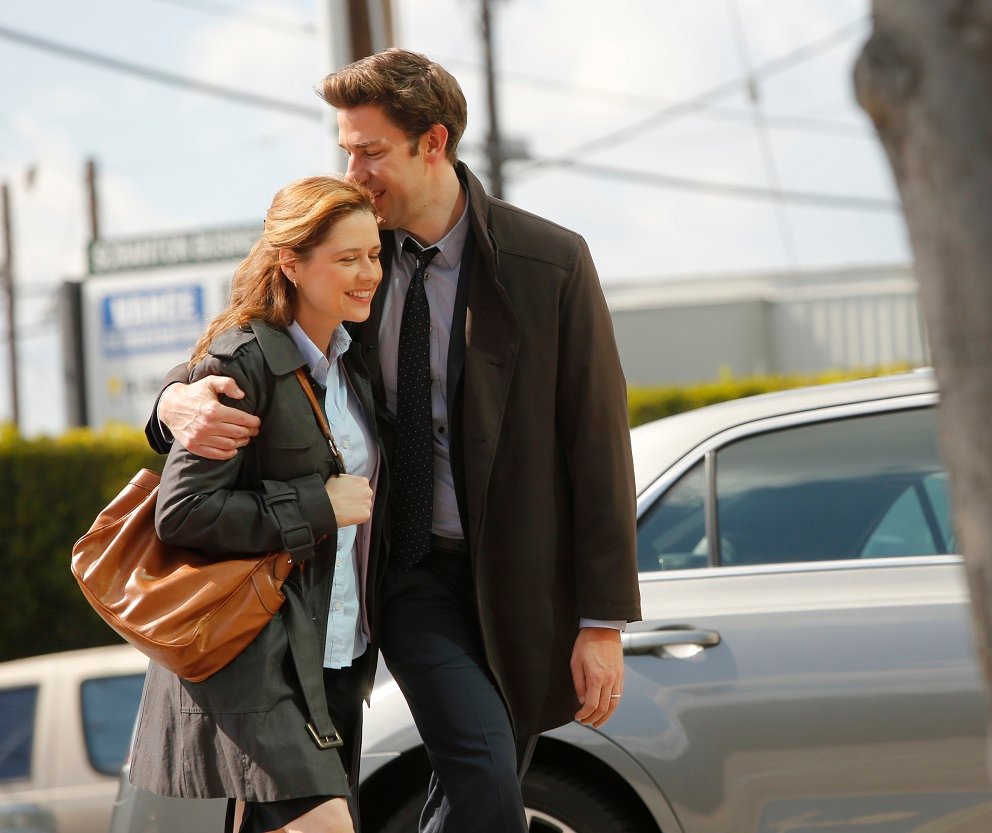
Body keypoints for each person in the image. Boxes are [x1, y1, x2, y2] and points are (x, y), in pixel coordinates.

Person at [147, 49, 642, 833]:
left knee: (476, 789)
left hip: (519, 588)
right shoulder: (349, 259)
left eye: (371, 150)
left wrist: (602, 620)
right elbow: (248, 337)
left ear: (433, 143)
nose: (354, 168)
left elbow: (598, 445)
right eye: (347, 147)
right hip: (406, 572)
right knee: (485, 784)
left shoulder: (551, 263)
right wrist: (174, 397)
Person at [130, 175, 387, 833]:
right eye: (348, 258)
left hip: (337, 661)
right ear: (291, 263)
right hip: (261, 663)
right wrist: (316, 505)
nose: (369, 273)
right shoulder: (243, 362)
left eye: (375, 254)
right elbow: (183, 511)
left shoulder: (350, 358)